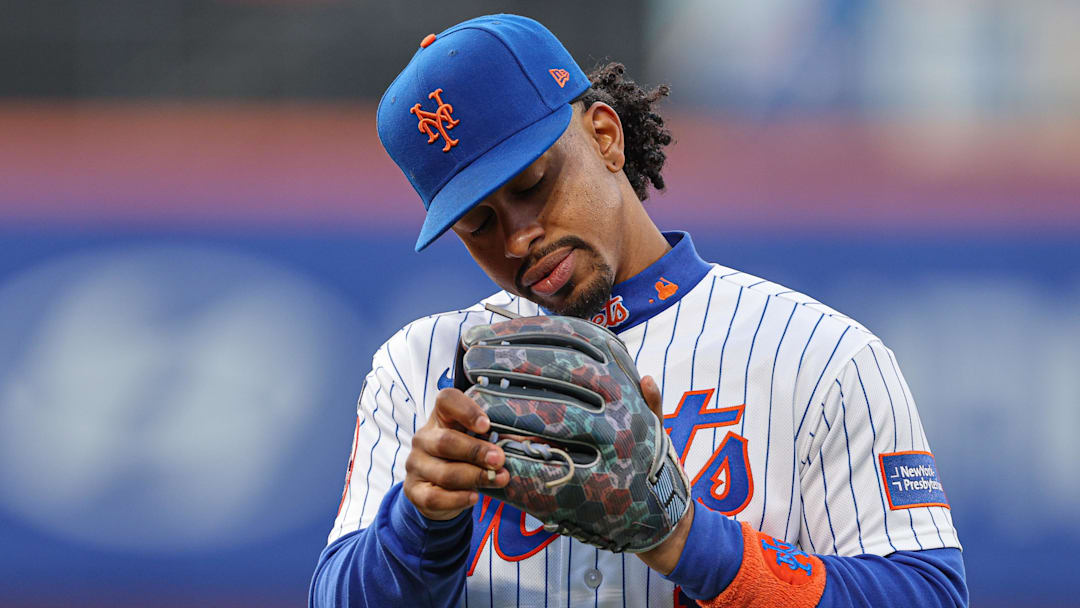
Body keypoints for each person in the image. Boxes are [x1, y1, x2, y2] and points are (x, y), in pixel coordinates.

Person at [310, 14, 966, 608]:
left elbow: (929, 596)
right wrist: (421, 525)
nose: (517, 238)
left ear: (604, 137)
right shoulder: (419, 368)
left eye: (532, 184)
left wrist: (684, 536)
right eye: (478, 223)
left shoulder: (822, 355)